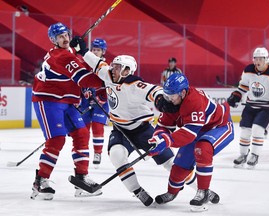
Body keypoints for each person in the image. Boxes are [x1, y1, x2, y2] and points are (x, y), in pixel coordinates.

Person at [70, 37, 179, 206]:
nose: (113, 69)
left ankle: (200, 188)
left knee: (170, 162)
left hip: (143, 131)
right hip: (120, 131)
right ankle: (137, 191)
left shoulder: (135, 85)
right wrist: (82, 50)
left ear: (127, 70)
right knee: (116, 156)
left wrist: (161, 100)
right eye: (114, 66)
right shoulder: (108, 75)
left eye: (118, 67)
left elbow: (154, 90)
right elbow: (97, 63)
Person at [31, 22, 104, 200]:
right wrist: (108, 80)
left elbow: (82, 70)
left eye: (66, 35)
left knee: (81, 134)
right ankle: (40, 181)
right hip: (48, 99)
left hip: (66, 100)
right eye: (60, 37)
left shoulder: (70, 53)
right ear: (53, 40)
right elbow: (85, 79)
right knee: (56, 140)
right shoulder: (61, 56)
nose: (65, 39)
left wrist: (82, 52)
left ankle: (81, 178)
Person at [148, 73, 234, 212]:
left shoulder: (194, 100)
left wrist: (166, 141)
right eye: (166, 94)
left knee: (202, 148)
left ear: (183, 92)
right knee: (180, 165)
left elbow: (189, 133)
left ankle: (203, 192)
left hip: (220, 126)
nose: (168, 99)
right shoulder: (172, 103)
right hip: (197, 130)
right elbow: (163, 127)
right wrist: (157, 138)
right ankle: (172, 192)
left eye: (172, 95)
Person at [227, 48, 269, 169]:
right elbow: (243, 86)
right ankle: (243, 155)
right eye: (256, 58)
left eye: (261, 59)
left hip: (266, 108)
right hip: (250, 106)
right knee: (244, 132)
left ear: (266, 59)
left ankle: (254, 155)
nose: (258, 61)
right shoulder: (248, 70)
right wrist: (237, 95)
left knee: (257, 130)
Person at [80, 38, 109, 167]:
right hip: (86, 102)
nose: (95, 52)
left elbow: (109, 86)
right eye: (94, 49)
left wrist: (101, 99)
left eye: (98, 50)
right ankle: (83, 152)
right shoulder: (85, 64)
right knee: (83, 130)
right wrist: (82, 95)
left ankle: (98, 152)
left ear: (103, 52)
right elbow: (79, 81)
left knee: (97, 127)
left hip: (101, 102)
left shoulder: (105, 67)